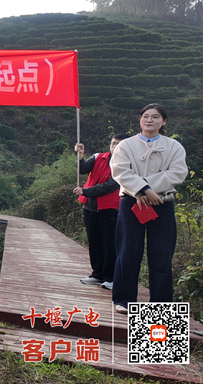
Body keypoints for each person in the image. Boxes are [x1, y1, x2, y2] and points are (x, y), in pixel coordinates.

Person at [111, 103, 187, 314]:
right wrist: (143, 190)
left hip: (162, 203)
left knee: (161, 254)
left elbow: (178, 173)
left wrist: (148, 189)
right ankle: (124, 300)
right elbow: (120, 171)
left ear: (164, 121)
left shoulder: (174, 146)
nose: (149, 120)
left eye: (155, 117)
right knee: (128, 251)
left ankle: (160, 305)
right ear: (140, 119)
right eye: (145, 116)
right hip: (131, 202)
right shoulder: (125, 145)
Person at [74, 134, 129, 291]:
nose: (115, 146)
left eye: (119, 144)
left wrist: (85, 191)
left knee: (109, 243)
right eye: (113, 143)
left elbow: (111, 185)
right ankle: (97, 274)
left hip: (110, 207)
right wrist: (80, 157)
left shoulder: (127, 164)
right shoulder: (98, 157)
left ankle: (110, 277)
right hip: (90, 206)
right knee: (94, 241)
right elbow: (83, 169)